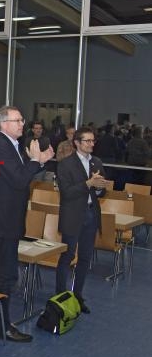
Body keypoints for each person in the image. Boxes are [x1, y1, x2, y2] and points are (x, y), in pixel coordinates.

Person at [0, 106, 54, 342]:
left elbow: (18, 175)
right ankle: (3, 326)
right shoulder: (1, 147)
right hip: (4, 220)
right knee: (5, 274)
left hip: (5, 217)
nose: (23, 123)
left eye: (22, 119)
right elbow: (21, 180)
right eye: (17, 120)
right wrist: (36, 160)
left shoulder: (10, 145)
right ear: (3, 123)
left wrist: (37, 162)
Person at [56, 127, 107, 313]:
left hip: (91, 214)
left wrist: (100, 188)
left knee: (85, 258)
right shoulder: (65, 164)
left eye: (93, 141)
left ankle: (77, 295)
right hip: (73, 215)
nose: (91, 144)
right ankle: (60, 297)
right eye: (87, 141)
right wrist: (88, 184)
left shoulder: (97, 162)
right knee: (67, 256)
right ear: (77, 143)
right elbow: (67, 193)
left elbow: (102, 190)